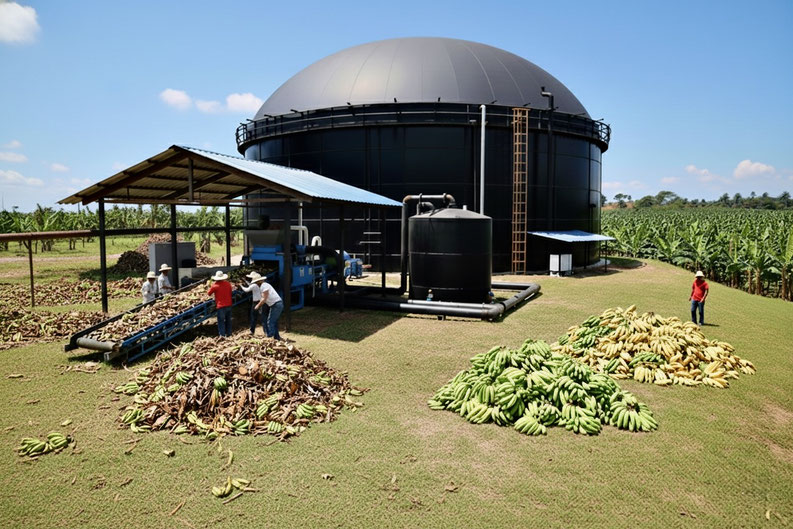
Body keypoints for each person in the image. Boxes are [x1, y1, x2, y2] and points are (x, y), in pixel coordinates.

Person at [208, 270, 233, 337]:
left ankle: (222, 335)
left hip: (221, 306)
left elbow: (209, 293)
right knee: (228, 320)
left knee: (221, 321)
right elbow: (231, 292)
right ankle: (229, 334)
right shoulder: (228, 284)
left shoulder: (215, 286)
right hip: (229, 304)